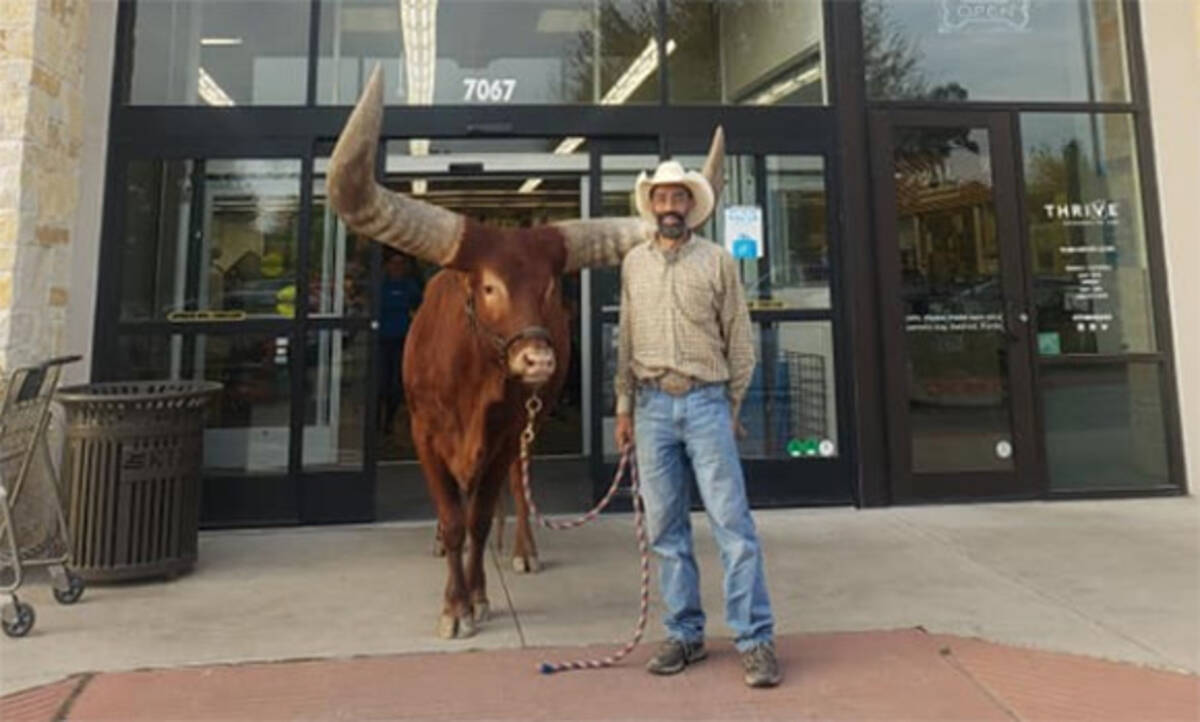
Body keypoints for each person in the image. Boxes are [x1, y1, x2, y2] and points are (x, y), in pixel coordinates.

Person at [613, 158, 781, 688]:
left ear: (691, 206)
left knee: (733, 527)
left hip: (706, 402)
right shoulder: (633, 265)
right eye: (661, 198)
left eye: (678, 198)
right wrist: (623, 407)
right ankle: (684, 634)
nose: (669, 207)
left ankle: (754, 640)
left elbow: (741, 340)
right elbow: (627, 339)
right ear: (652, 205)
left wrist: (730, 407)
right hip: (650, 406)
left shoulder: (718, 263)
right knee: (665, 529)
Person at [379, 250, 423, 433]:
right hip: (380, 341)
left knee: (396, 384)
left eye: (401, 264)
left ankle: (389, 421)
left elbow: (420, 306)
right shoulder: (381, 286)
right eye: (394, 264)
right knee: (380, 383)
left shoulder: (409, 286)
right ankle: (374, 424)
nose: (397, 268)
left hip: (402, 341)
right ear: (387, 266)